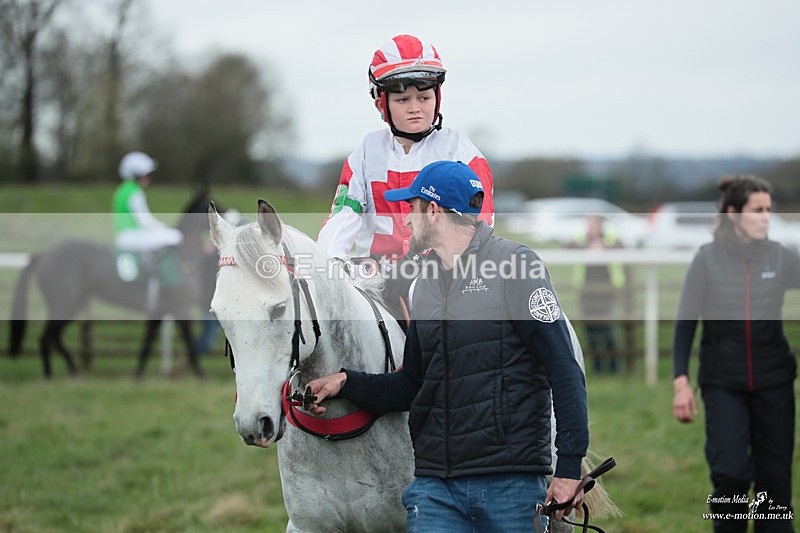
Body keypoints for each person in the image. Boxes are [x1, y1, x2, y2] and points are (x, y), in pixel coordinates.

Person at [307, 160, 589, 532]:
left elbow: (564, 370)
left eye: (412, 208)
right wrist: (347, 382)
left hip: (512, 486)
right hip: (435, 490)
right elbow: (413, 384)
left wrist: (568, 468)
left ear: (434, 211)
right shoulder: (422, 284)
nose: (407, 220)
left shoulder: (518, 266)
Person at [672, 175, 799, 532]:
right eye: (757, 210)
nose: (765, 217)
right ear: (733, 213)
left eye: (769, 210)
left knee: (774, 485)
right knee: (729, 474)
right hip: (722, 383)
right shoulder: (707, 259)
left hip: (775, 382)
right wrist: (681, 382)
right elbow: (685, 323)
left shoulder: (780, 256)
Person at [317, 34, 494, 261]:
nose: (415, 108)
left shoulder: (460, 151)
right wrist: (326, 261)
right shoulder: (365, 153)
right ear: (382, 104)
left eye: (424, 98)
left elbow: (479, 223)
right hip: (375, 282)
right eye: (403, 100)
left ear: (437, 98)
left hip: (440, 280)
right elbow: (342, 217)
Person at [570, 214, 626, 373]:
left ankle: (614, 367)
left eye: (593, 222)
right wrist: (588, 248)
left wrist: (603, 248)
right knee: (590, 332)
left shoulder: (611, 239)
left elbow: (622, 249)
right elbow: (568, 247)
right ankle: (597, 368)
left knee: (607, 331)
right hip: (586, 294)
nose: (590, 226)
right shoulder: (581, 239)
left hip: (607, 294)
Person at [112, 151, 183, 253]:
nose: (148, 178)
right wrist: (165, 229)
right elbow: (145, 221)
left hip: (122, 236)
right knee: (176, 237)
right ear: (136, 175)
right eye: (146, 174)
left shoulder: (122, 189)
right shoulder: (135, 192)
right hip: (132, 237)